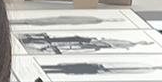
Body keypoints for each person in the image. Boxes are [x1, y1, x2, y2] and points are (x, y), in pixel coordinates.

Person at [19, 34, 155, 55]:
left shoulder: (129, 45)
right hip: (92, 42)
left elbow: (111, 44)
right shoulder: (129, 43)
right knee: (59, 41)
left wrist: (101, 43)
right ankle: (33, 42)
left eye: (144, 42)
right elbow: (110, 42)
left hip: (93, 44)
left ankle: (42, 48)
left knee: (63, 46)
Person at [45, 62, 162, 76]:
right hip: (101, 65)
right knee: (72, 67)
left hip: (103, 70)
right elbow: (122, 64)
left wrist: (106, 72)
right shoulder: (144, 64)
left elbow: (123, 71)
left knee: (74, 71)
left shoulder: (148, 70)